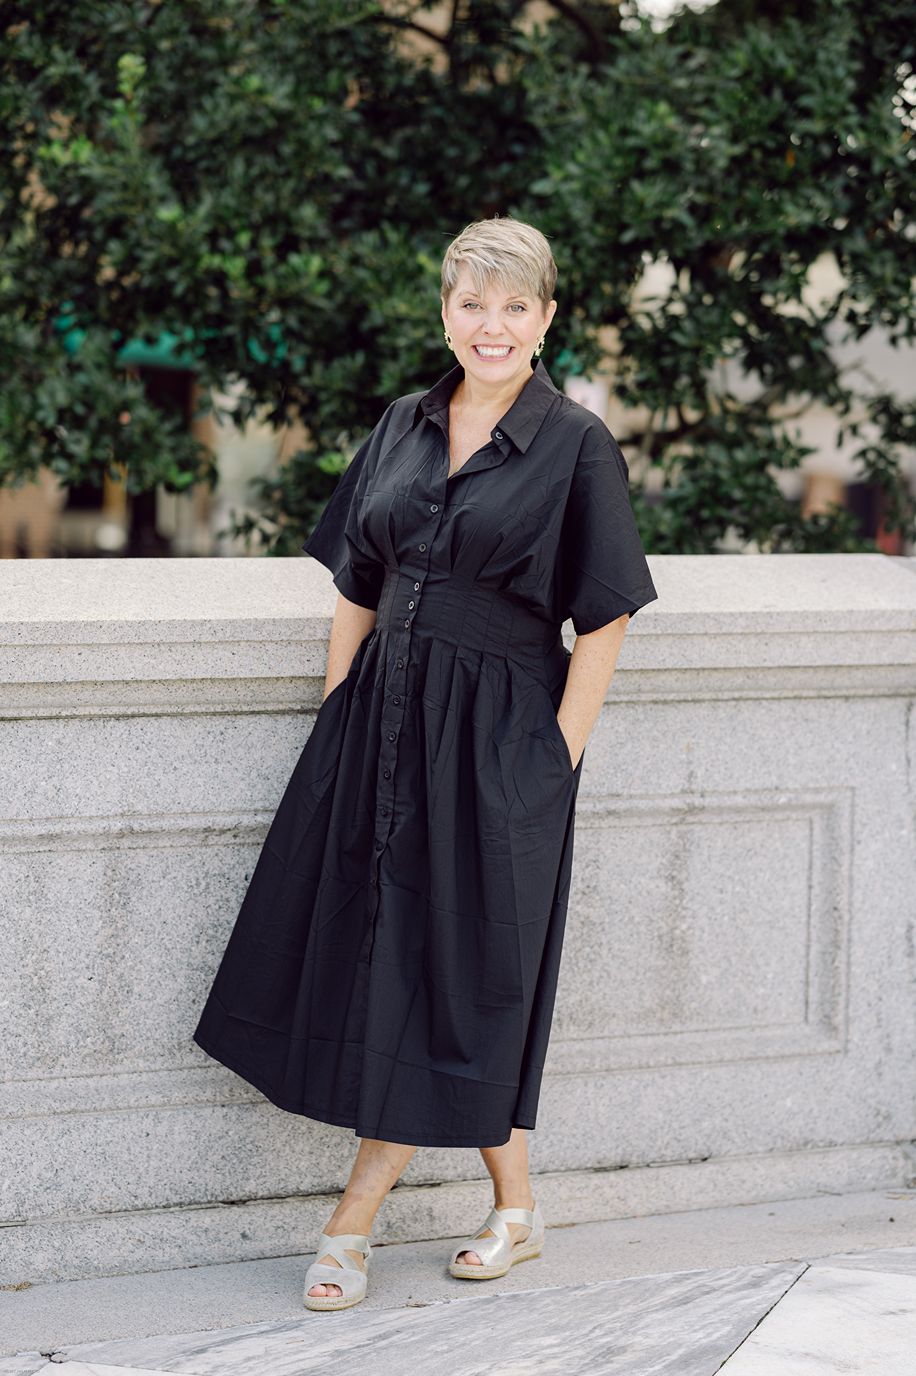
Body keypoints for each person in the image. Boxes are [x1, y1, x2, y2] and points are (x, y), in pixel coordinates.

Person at [192, 215, 658, 1311]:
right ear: (445, 313)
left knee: (457, 962)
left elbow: (604, 619)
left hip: (497, 742)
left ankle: (351, 1221)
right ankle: (517, 1208)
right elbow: (356, 583)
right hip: (378, 725)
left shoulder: (575, 445)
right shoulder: (403, 422)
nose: (491, 325)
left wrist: (552, 759)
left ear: (544, 320)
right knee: (394, 954)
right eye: (472, 303)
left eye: (513, 306)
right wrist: (335, 712)